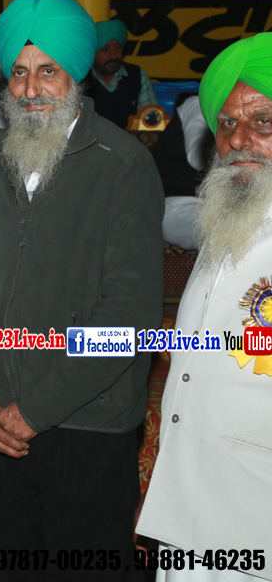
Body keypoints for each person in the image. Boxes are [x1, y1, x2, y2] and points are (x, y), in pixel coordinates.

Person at [0, 0, 163, 581]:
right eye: (19, 72)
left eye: (48, 71)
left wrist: (35, 409)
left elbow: (129, 315)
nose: (30, 89)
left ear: (75, 75)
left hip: (87, 427)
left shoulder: (121, 164)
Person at [137, 33, 272, 582]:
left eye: (262, 121)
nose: (238, 139)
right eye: (226, 123)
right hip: (190, 501)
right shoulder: (230, 215)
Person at [151, 93, 213, 249]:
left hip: (217, 204)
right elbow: (198, 157)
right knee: (219, 233)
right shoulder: (199, 104)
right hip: (175, 200)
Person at [86, 19, 158, 129]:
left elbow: (151, 121)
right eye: (105, 49)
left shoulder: (137, 76)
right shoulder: (80, 78)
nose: (114, 56)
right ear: (92, 52)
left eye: (118, 48)